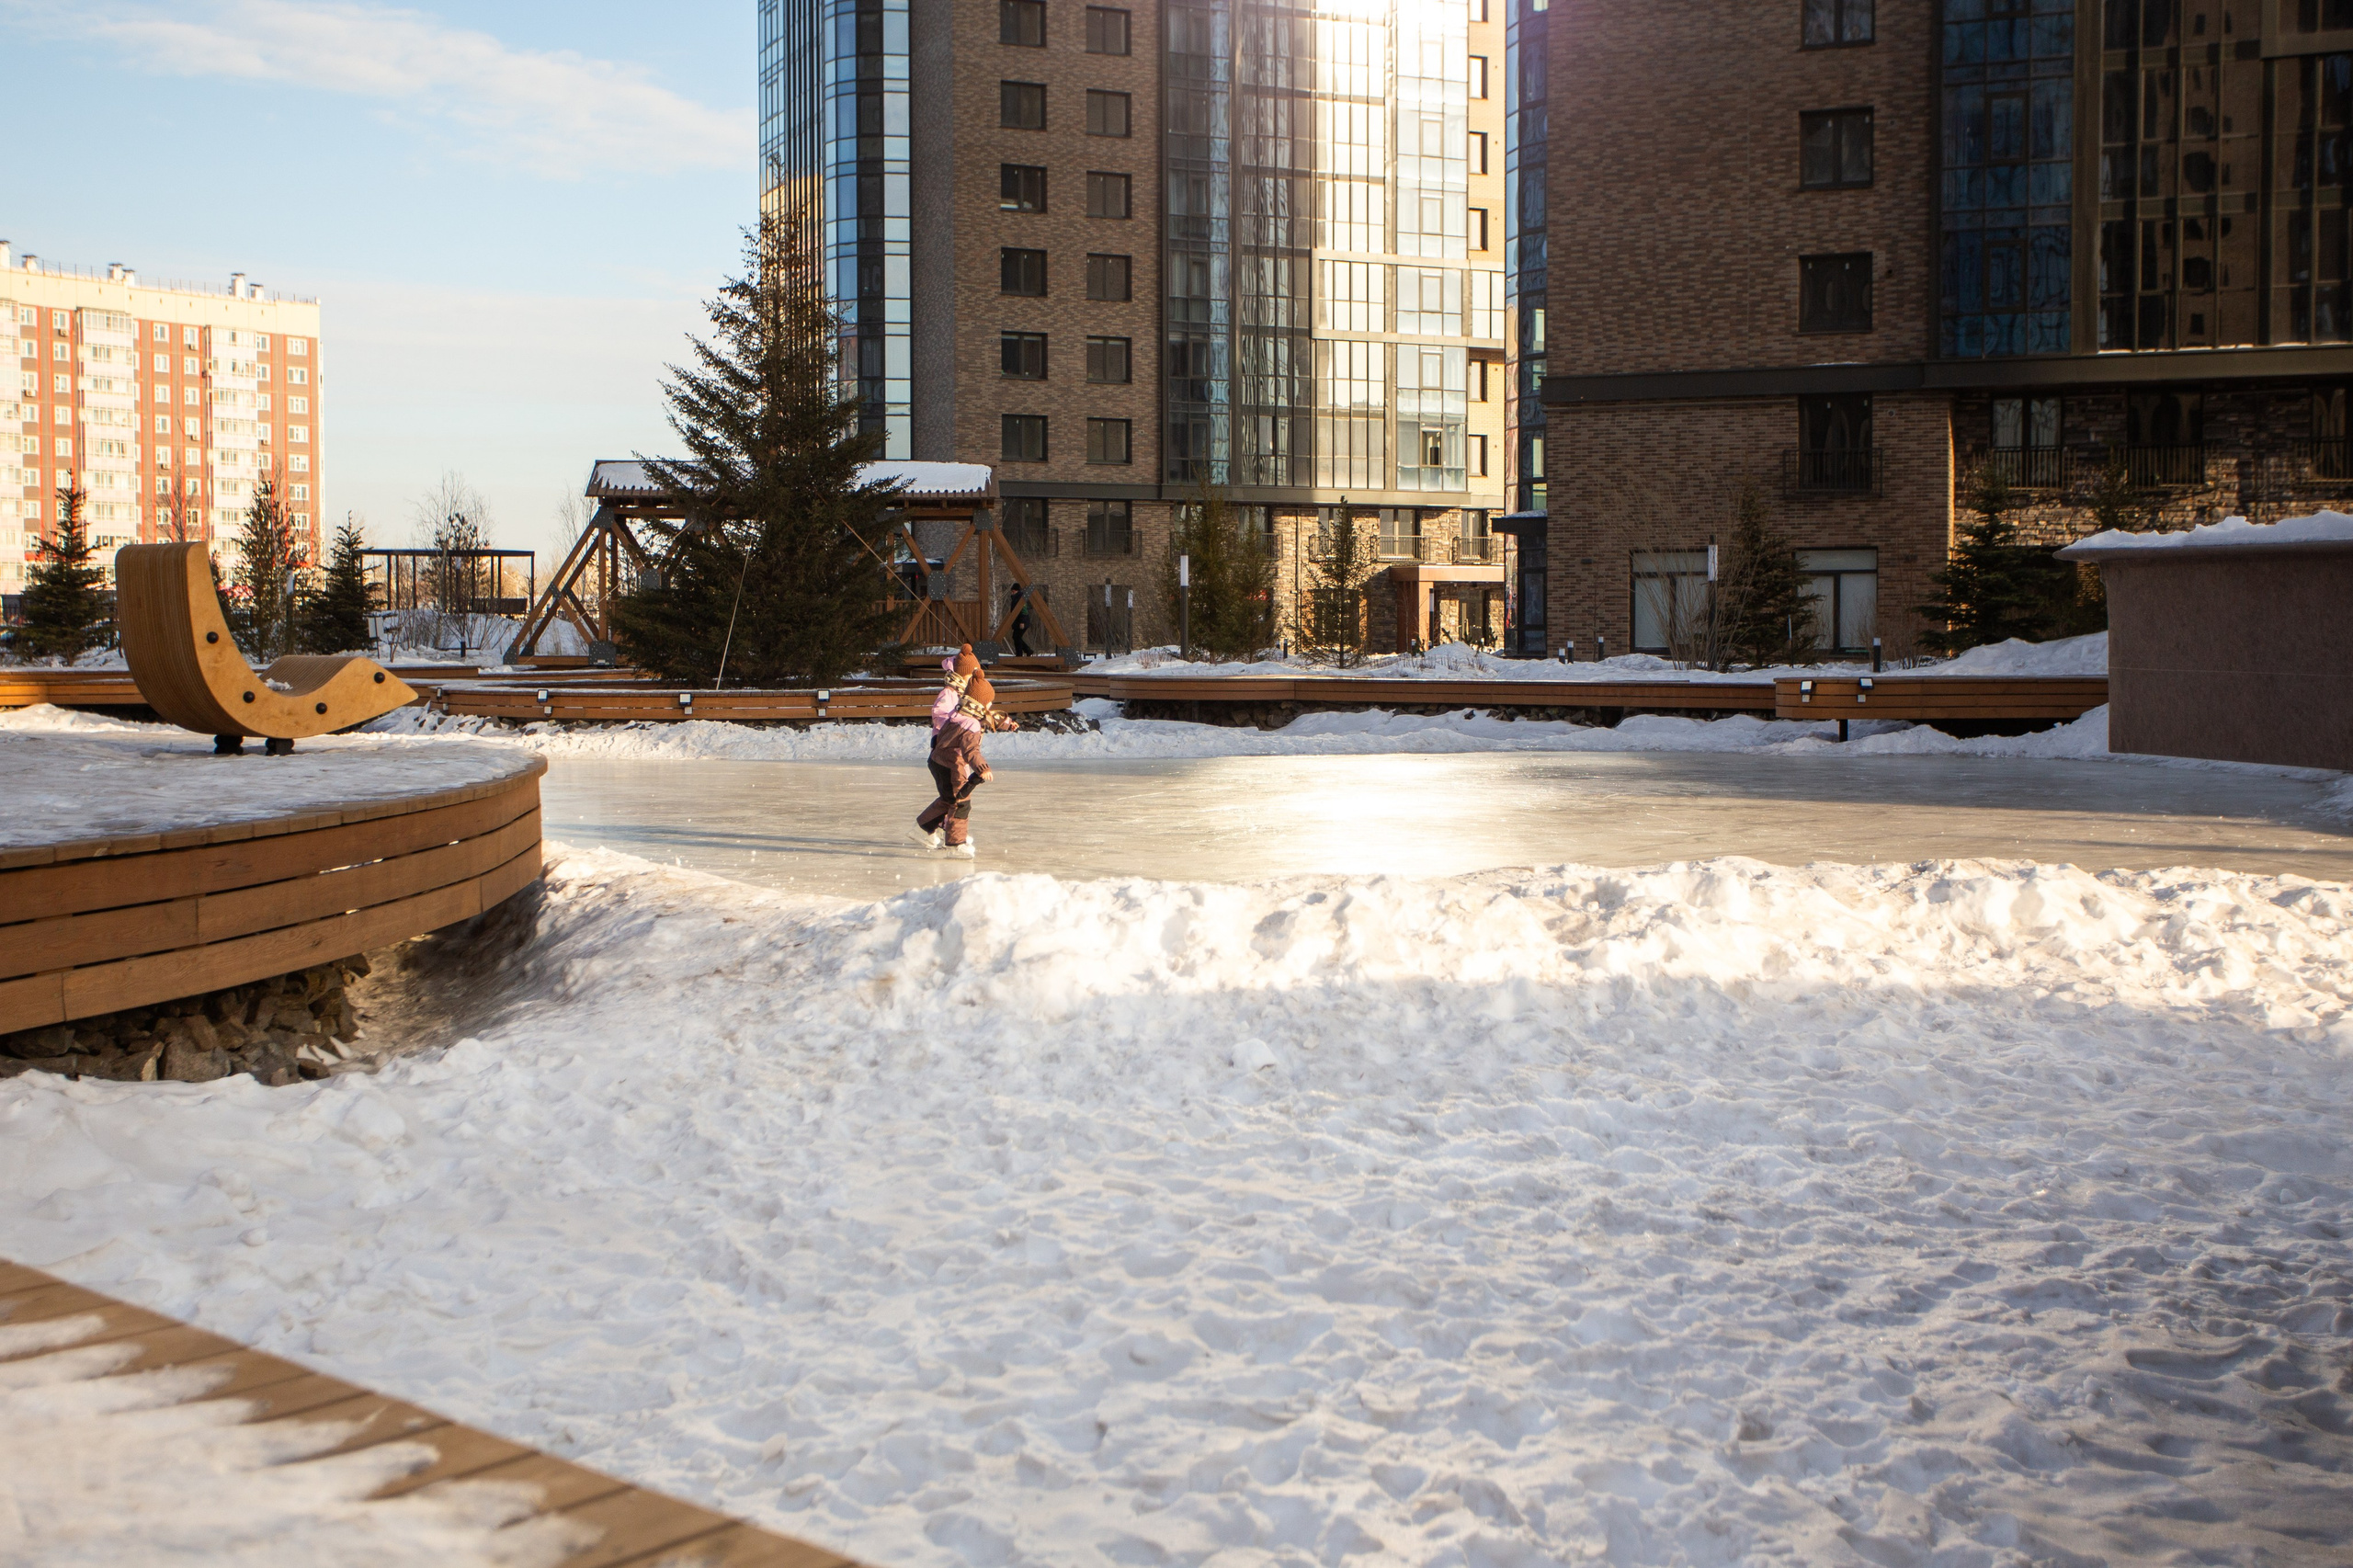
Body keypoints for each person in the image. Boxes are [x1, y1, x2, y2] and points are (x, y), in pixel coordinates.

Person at [916, 661, 1015, 856]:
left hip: (942, 758)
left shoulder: (962, 711)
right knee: (960, 802)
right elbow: (971, 750)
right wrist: (982, 768)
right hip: (951, 761)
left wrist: (1007, 723)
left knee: (949, 799)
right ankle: (955, 843)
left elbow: (990, 716)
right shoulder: (968, 720)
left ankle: (924, 828)